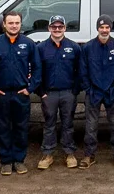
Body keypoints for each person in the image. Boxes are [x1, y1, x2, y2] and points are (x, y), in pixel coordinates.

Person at [0, 10, 35, 176]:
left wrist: (30, 88)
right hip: (2, 95)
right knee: (2, 129)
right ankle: (6, 161)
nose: (14, 26)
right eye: (11, 23)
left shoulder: (28, 44)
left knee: (21, 128)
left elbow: (38, 68)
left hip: (21, 94)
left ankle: (19, 160)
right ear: (4, 24)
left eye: (17, 23)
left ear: (21, 24)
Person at [34, 15, 83, 170]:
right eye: (54, 27)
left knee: (68, 124)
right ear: (49, 28)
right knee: (49, 124)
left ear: (64, 28)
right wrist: (41, 92)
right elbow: (37, 72)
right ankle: (47, 154)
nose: (57, 29)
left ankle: (69, 153)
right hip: (49, 94)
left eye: (60, 27)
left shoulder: (74, 47)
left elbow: (80, 71)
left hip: (68, 93)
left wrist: (75, 91)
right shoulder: (41, 48)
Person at [81, 16, 114, 167]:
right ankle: (89, 155)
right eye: (102, 27)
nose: (104, 30)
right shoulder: (88, 47)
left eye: (107, 27)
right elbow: (83, 70)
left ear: (110, 29)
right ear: (97, 29)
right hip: (93, 92)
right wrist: (88, 89)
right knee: (91, 125)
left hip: (111, 92)